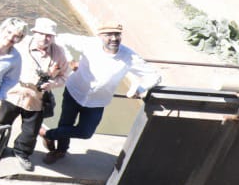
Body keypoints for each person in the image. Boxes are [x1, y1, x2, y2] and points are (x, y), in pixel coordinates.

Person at [42, 22, 161, 162]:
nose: (114, 38)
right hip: (74, 92)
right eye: (108, 35)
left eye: (117, 34)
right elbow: (60, 38)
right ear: (99, 36)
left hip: (97, 102)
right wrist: (70, 60)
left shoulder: (129, 56)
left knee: (86, 132)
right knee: (65, 124)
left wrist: (139, 89)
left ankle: (47, 134)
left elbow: (154, 76)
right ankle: (60, 151)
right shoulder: (89, 43)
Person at [0, 17, 71, 173]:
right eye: (41, 34)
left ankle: (22, 152)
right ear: (34, 33)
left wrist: (52, 84)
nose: (44, 38)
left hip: (37, 98)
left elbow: (64, 76)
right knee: (3, 124)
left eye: (49, 35)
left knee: (31, 132)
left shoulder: (59, 53)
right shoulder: (21, 44)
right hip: (14, 93)